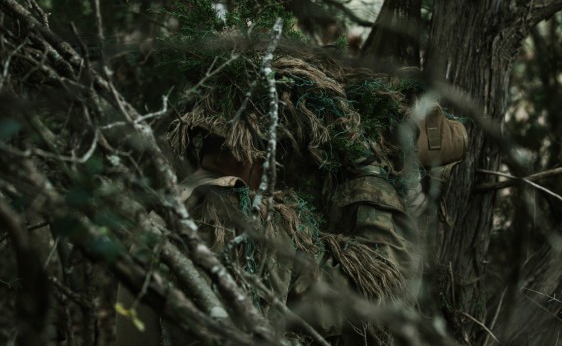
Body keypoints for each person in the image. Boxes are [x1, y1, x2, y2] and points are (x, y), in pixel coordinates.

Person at [116, 52, 466, 345]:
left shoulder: (166, 212)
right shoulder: (247, 215)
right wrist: (371, 178)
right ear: (254, 147)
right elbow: (373, 303)